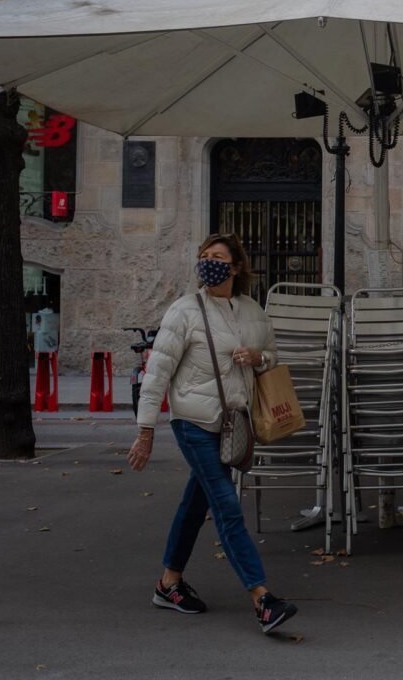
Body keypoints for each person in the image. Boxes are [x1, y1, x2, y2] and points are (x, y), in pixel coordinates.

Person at [126, 233, 298, 634]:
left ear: (235, 267)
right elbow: (158, 372)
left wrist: (258, 357)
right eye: (204, 256)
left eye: (218, 257)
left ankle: (168, 584)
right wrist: (145, 430)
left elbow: (273, 355)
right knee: (226, 504)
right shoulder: (184, 311)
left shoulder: (253, 311)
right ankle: (262, 599)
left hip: (231, 424)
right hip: (193, 422)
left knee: (195, 503)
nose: (209, 262)